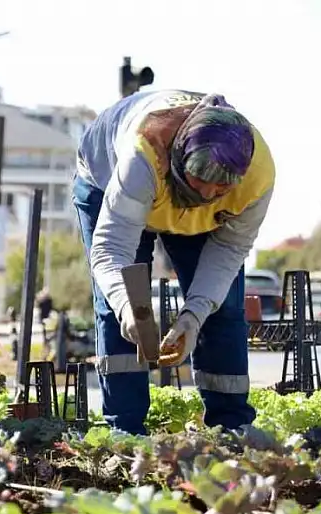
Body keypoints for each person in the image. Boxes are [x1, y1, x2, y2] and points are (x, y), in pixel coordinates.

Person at [75, 90, 273, 435]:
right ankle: (126, 430)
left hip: (184, 201)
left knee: (222, 307)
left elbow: (228, 252)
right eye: (201, 178)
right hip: (108, 181)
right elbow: (111, 250)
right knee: (117, 308)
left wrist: (193, 317)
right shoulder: (144, 155)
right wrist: (127, 307)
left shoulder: (256, 178)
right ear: (182, 155)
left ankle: (231, 426)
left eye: (221, 185)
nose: (209, 193)